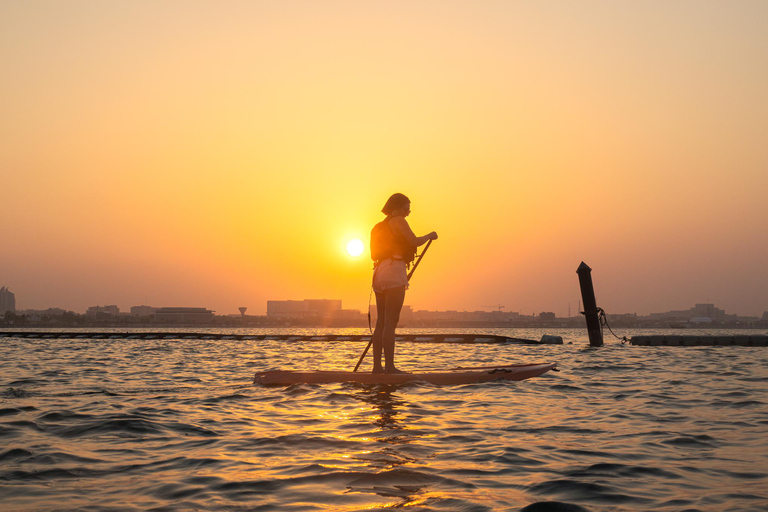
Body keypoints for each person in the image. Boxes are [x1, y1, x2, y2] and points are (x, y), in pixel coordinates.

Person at [370, 193, 437, 374]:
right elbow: (415, 241)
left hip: (378, 273)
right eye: (407, 208)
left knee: (381, 322)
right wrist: (431, 235)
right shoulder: (399, 221)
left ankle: (377, 368)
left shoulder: (379, 226)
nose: (408, 212)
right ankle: (390, 368)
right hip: (394, 270)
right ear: (397, 208)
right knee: (391, 322)